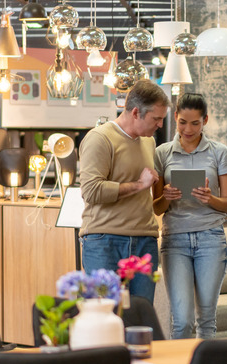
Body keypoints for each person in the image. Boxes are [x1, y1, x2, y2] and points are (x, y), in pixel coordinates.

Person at [79, 79, 170, 303]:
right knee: (103, 314)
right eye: (156, 118)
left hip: (145, 240)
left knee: (142, 316)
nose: (160, 125)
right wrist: (139, 185)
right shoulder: (100, 138)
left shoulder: (148, 142)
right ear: (136, 112)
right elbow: (91, 191)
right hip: (104, 240)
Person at [152, 93, 227, 339]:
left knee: (206, 320)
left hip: (211, 238)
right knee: (182, 321)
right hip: (174, 239)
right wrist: (166, 196)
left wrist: (210, 199)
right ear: (175, 118)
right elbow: (156, 208)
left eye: (195, 123)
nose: (188, 129)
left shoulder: (220, 153)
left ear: (205, 120)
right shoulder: (162, 153)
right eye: (182, 122)